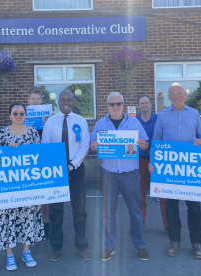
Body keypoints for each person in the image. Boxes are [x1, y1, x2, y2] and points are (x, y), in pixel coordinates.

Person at [149, 83, 201, 259]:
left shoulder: (194, 114)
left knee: (194, 207)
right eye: (173, 94)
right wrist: (153, 161)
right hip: (169, 169)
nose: (177, 96)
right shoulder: (162, 115)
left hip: (190, 169)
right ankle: (174, 241)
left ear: (185, 95)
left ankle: (197, 242)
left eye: (180, 93)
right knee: (171, 207)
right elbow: (156, 141)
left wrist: (200, 142)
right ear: (168, 97)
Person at [90, 91, 149, 262]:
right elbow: (93, 145)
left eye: (118, 104)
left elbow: (145, 144)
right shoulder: (100, 123)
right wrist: (94, 146)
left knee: (135, 211)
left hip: (130, 172)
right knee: (108, 212)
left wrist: (142, 144)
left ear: (123, 105)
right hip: (108, 172)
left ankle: (140, 244)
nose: (115, 107)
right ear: (107, 106)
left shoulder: (134, 122)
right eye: (111, 104)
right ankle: (109, 246)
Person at [0, 102, 44, 271]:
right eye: (15, 113)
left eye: (21, 113)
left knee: (28, 217)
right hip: (8, 186)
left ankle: (26, 251)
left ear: (26, 115)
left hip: (28, 184)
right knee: (7, 218)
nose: (18, 116)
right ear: (9, 115)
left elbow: (40, 154)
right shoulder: (2, 133)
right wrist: (6, 149)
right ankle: (9, 254)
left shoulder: (33, 132)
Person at [42, 90, 90, 262]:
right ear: (58, 102)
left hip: (76, 168)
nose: (66, 102)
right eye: (63, 99)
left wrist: (71, 165)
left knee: (79, 209)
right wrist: (56, 167)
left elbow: (85, 145)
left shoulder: (81, 121)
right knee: (55, 210)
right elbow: (45, 146)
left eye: (69, 100)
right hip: (55, 170)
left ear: (74, 101)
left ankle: (82, 246)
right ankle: (56, 247)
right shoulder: (50, 123)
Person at [136, 95, 168, 232]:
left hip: (158, 161)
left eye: (146, 102)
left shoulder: (159, 119)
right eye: (141, 103)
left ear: (151, 105)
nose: (144, 105)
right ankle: (140, 224)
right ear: (138, 106)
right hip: (140, 161)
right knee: (140, 196)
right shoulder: (133, 121)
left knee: (164, 196)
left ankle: (168, 225)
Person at [27, 86, 49, 239]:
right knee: (29, 194)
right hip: (27, 159)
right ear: (28, 100)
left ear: (42, 101)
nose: (35, 101)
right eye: (33, 98)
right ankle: (31, 225)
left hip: (43, 158)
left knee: (44, 195)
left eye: (38, 99)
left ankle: (46, 224)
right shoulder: (22, 115)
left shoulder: (48, 117)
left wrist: (50, 120)